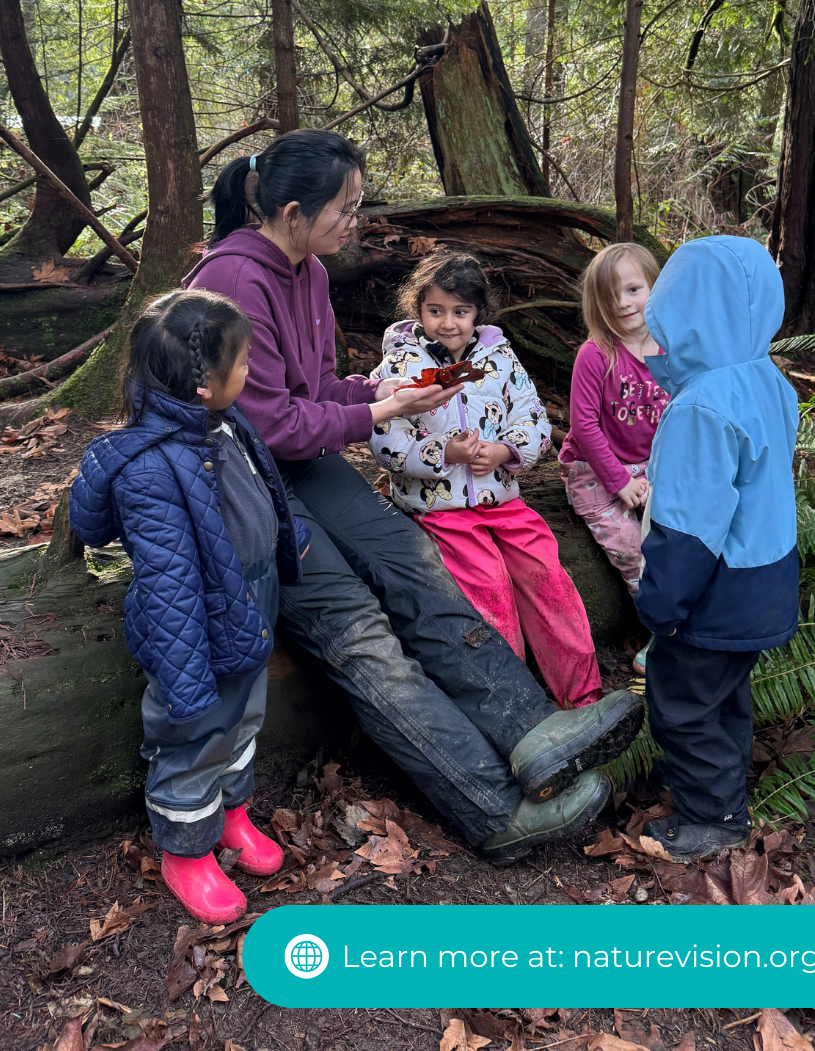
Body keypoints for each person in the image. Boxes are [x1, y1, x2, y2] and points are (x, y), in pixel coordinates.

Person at [183, 130, 643, 862]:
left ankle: (531, 728)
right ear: (294, 211)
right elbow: (262, 421)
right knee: (359, 630)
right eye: (347, 207)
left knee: (410, 560)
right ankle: (492, 806)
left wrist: (376, 389)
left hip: (302, 461)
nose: (357, 221)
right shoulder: (234, 280)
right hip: (236, 482)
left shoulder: (305, 270)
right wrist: (375, 414)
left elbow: (309, 393)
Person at [69, 290, 309, 924]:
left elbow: (263, 494)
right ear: (203, 382)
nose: (251, 371)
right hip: (193, 623)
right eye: (243, 362)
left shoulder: (225, 424)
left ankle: (231, 814)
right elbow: (169, 583)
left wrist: (289, 540)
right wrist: (184, 674)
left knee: (244, 717)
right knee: (193, 732)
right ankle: (186, 848)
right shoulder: (150, 469)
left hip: (250, 597)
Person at [370, 250, 602, 710]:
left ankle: (585, 698)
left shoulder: (500, 357)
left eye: (461, 312)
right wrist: (443, 453)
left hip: (503, 502)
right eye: (436, 311)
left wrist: (505, 451)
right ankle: (516, 708)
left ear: (479, 313)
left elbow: (532, 416)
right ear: (418, 308)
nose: (449, 323)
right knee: (489, 593)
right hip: (443, 512)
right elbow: (385, 440)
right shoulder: (399, 365)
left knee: (549, 579)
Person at [634, 236, 799, 864]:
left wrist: (661, 605)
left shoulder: (699, 408)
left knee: (680, 706)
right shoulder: (768, 380)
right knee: (725, 694)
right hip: (767, 578)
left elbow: (691, 527)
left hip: (715, 590)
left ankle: (711, 821)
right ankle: (726, 795)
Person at [559, 242, 669, 674]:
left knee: (677, 538)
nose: (622, 303)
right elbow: (584, 428)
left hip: (652, 467)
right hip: (594, 469)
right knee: (633, 548)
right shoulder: (597, 355)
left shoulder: (669, 350)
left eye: (633, 289)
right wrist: (619, 483)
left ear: (655, 289)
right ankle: (663, 634)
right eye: (610, 295)